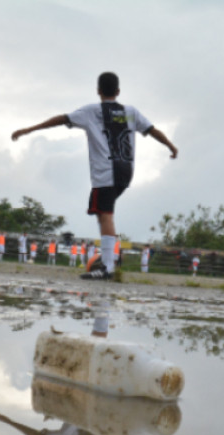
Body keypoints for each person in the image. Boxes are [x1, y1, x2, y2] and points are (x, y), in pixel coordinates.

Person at [12, 72, 178, 280]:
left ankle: (108, 268)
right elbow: (152, 130)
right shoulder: (130, 113)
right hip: (126, 171)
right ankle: (108, 263)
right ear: (118, 91)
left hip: (106, 171)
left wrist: (29, 129)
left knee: (105, 214)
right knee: (102, 213)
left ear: (98, 91)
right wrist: (170, 145)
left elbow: (62, 119)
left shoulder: (92, 112)